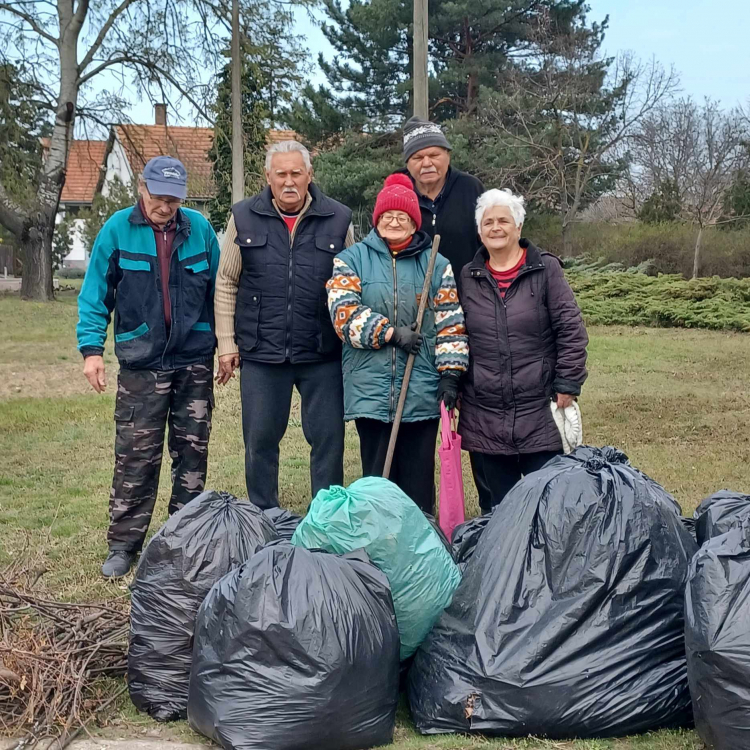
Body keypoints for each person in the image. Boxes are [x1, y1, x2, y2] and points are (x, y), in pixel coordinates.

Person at [76, 156, 220, 578]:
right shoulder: (117, 230)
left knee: (192, 454)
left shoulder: (201, 231)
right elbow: (94, 294)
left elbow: (222, 291)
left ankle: (184, 539)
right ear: (142, 188)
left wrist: (227, 345)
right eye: (158, 198)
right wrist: (91, 350)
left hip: (193, 360)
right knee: (136, 457)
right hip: (142, 363)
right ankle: (123, 545)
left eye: (173, 200)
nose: (165, 207)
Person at [214, 140, 353, 510]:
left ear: (310, 175)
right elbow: (227, 281)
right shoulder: (242, 216)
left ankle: (328, 516)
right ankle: (264, 514)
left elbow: (352, 283)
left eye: (296, 173)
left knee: (328, 440)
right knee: (259, 440)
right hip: (262, 351)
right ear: (268, 177)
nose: (289, 181)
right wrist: (226, 343)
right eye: (281, 174)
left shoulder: (339, 219)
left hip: (322, 350)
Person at [326, 174, 469, 513]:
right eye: (387, 215)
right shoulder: (351, 259)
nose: (394, 221)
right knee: (377, 481)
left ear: (413, 222)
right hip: (370, 393)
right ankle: (376, 549)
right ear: (376, 219)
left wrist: (450, 374)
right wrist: (390, 333)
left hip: (419, 390)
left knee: (418, 484)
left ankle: (421, 547)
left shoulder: (437, 265)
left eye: (402, 216)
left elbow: (451, 323)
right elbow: (343, 315)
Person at [458, 188, 588, 512]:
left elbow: (571, 329)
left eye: (504, 220)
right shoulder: (468, 276)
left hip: (540, 410)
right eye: (488, 222)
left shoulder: (545, 270)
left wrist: (568, 383)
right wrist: (455, 384)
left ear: (518, 227)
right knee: (499, 510)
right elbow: (455, 335)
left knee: (548, 505)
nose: (496, 227)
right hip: (484, 412)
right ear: (479, 231)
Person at [397, 116, 484, 277]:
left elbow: (489, 242)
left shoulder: (470, 188)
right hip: (412, 295)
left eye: (434, 155)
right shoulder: (396, 192)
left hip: (467, 292)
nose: (427, 163)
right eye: (417, 157)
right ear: (407, 163)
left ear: (447, 155)